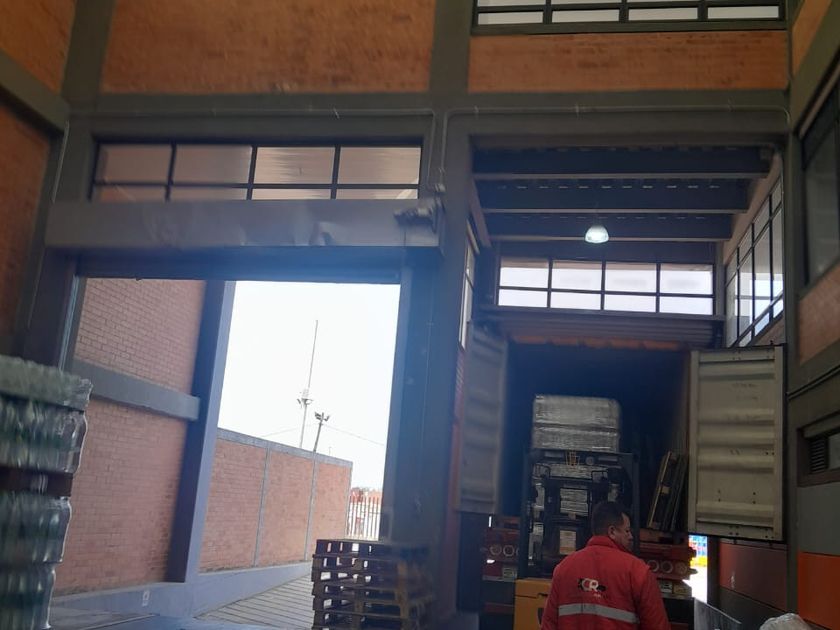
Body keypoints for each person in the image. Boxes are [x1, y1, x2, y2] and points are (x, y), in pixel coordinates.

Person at [540, 501, 669, 630]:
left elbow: (548, 625)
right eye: (627, 530)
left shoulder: (563, 569)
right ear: (612, 531)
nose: (630, 536)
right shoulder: (638, 572)